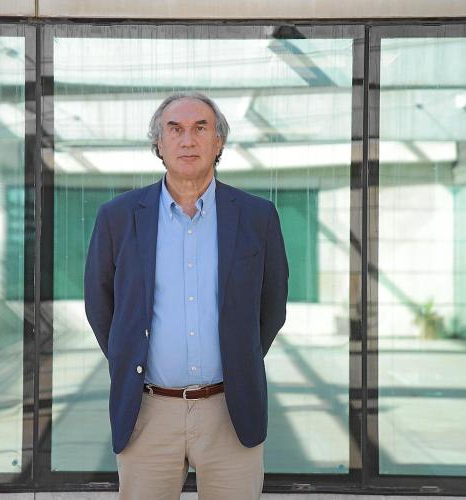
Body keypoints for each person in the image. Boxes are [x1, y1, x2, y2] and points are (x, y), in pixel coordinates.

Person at [84, 92, 288, 500]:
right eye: (174, 129)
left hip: (231, 411)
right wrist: (131, 360)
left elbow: (272, 307)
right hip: (148, 412)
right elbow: (100, 306)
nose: (187, 140)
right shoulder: (118, 217)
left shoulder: (257, 216)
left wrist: (238, 357)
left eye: (200, 128)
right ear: (158, 143)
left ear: (219, 141)